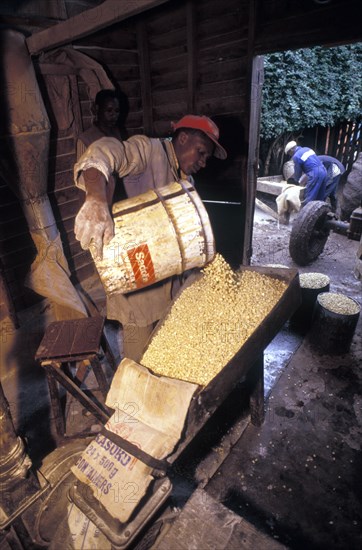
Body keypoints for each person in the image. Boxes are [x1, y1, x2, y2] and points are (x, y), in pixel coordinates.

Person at [73, 114, 227, 361]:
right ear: (183, 138)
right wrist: (96, 199)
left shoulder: (186, 180)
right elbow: (102, 151)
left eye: (206, 157)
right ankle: (130, 399)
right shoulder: (147, 151)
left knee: (166, 352)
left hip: (168, 282)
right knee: (139, 361)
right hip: (135, 284)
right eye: (201, 152)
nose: (203, 161)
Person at [284, 141, 327, 205]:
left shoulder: (296, 156)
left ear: (291, 150)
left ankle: (306, 213)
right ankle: (321, 212)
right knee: (320, 197)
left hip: (315, 173)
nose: (290, 155)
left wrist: (295, 183)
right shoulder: (307, 149)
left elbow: (298, 173)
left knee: (309, 197)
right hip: (323, 170)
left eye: (289, 153)